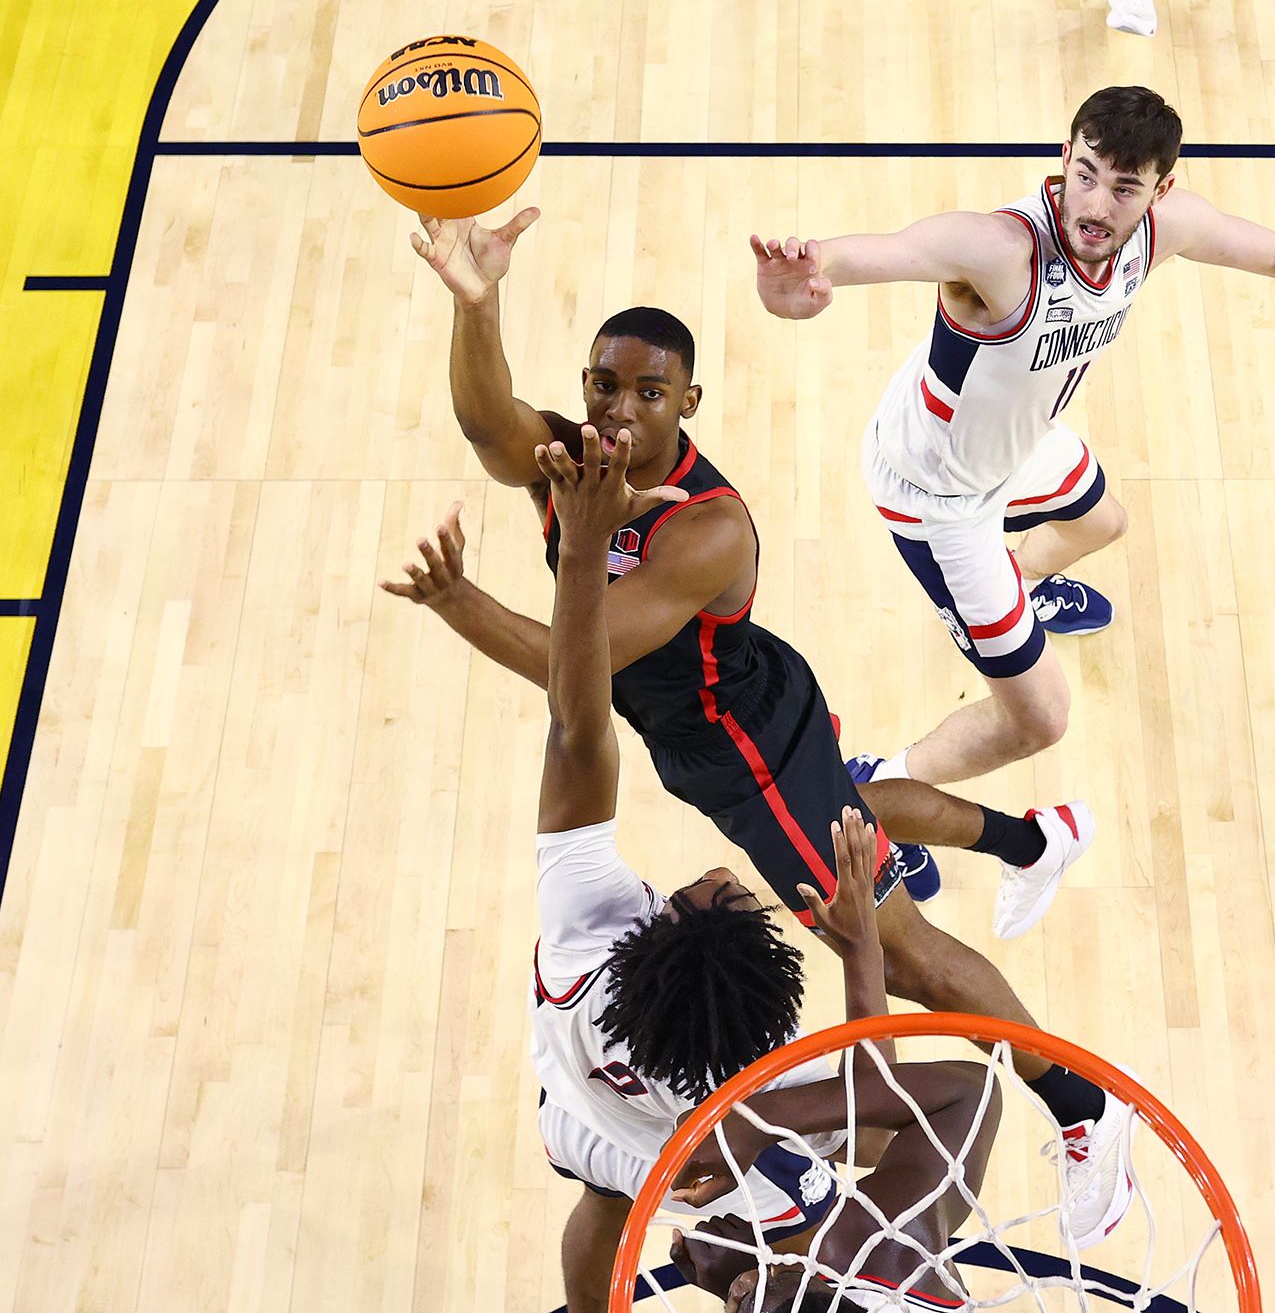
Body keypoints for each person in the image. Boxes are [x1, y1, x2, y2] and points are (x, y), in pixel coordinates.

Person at [397, 223, 1136, 1241]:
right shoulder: (577, 462)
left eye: (647, 393)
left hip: (738, 745)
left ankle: (1081, 1104)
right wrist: (473, 306)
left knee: (900, 942)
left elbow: (583, 670)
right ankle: (1031, 839)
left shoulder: (705, 526)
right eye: (604, 385)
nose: (618, 409)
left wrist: (458, 599)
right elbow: (488, 425)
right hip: (731, 711)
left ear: (685, 405)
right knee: (855, 810)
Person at [751, 84, 1275, 786]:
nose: (1096, 204)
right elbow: (886, 252)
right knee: (1039, 720)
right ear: (1064, 158)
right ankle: (880, 789)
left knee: (1100, 521)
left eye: (1123, 188)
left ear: (1160, 190)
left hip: (1014, 442)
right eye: (1085, 173)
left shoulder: (1162, 231)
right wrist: (807, 282)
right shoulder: (1000, 249)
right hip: (938, 492)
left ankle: (1014, 592)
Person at [526, 421, 847, 1313]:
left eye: (721, 892)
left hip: (591, 1122)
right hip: (706, 1165)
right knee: (813, 1239)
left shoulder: (585, 940)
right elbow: (880, 1085)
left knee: (604, 1198)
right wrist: (859, 955)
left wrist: (583, 553)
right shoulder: (759, 1074)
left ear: (661, 923)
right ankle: (758, 1287)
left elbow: (576, 725)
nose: (731, 875)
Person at [665, 794, 1010, 1313]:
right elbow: (970, 1093)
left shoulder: (868, 1249)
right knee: (863, 1135)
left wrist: (741, 1285)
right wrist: (757, 1120)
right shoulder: (882, 1251)